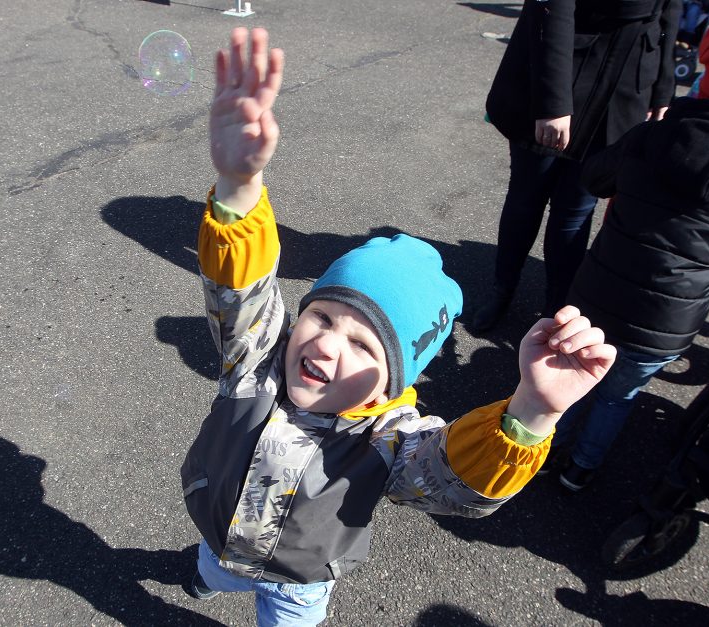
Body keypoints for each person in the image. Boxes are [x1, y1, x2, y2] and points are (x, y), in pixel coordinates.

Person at [181, 28, 617, 626]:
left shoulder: (389, 439)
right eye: (323, 316)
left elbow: (453, 481)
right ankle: (206, 577)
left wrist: (534, 410)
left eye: (363, 343)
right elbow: (241, 292)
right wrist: (238, 186)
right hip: (216, 532)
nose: (327, 342)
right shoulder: (255, 362)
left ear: (394, 382)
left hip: (298, 580)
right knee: (208, 571)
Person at [473, 0, 682, 331]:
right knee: (526, 198)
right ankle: (503, 289)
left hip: (626, 84)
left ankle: (556, 308)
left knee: (576, 208)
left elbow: (670, 10)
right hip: (561, 72)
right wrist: (552, 101)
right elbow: (553, 10)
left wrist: (662, 89)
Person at [544, 93, 709, 492]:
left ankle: (547, 447)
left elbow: (594, 179)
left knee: (573, 375)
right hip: (666, 323)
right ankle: (581, 468)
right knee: (616, 396)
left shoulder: (652, 136)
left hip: (599, 297)